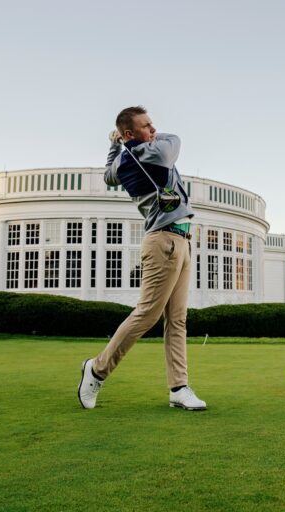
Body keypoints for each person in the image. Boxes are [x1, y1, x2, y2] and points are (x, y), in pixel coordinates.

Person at [77, 105, 206, 411]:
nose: (154, 129)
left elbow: (109, 175)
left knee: (177, 320)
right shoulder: (153, 152)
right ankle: (96, 370)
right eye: (147, 126)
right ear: (132, 133)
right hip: (164, 242)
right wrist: (140, 139)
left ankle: (179, 387)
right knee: (148, 314)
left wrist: (114, 144)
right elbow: (174, 142)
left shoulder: (124, 158)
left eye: (153, 125)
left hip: (180, 241)